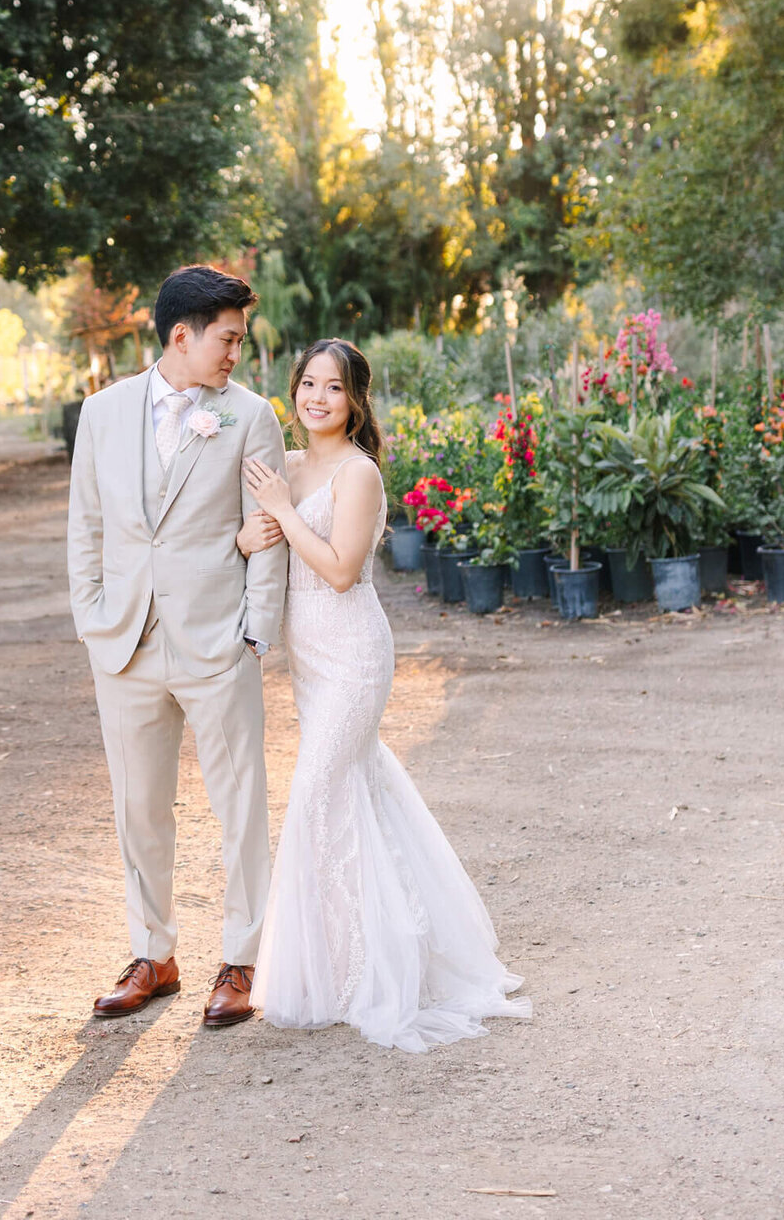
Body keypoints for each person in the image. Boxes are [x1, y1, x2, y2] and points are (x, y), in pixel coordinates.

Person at [238, 338, 531, 1052]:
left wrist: (282, 507)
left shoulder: (357, 473)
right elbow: (261, 545)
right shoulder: (293, 463)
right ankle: (347, 959)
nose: (316, 398)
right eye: (308, 383)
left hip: (353, 652)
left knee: (316, 795)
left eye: (333, 388)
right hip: (308, 658)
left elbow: (339, 570)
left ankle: (364, 971)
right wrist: (253, 533)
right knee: (352, 794)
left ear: (355, 400)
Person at [67, 265, 287, 1028]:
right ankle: (153, 954)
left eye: (240, 340)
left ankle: (242, 958)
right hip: (123, 644)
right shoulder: (101, 414)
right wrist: (93, 621)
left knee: (240, 804)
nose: (235, 353)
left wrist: (255, 629)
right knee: (139, 807)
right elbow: (86, 529)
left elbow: (270, 532)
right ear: (181, 336)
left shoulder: (251, 417)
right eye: (227, 339)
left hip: (217, 640)